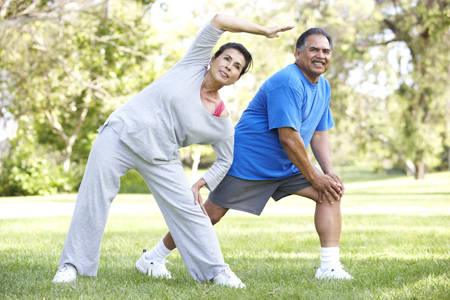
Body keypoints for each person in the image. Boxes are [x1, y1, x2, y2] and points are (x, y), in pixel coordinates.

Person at [51, 13, 294, 288]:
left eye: (237, 66)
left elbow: (226, 159)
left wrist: (202, 183)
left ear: (236, 79)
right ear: (213, 59)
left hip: (161, 157)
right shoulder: (192, 64)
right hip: (120, 134)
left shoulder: (221, 121)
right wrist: (263, 30)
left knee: (192, 211)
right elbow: (219, 20)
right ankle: (72, 265)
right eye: (226, 58)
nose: (229, 66)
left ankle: (216, 271)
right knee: (94, 199)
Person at [145, 27, 354, 281]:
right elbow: (288, 137)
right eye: (314, 49)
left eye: (326, 51)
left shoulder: (323, 87)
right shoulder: (288, 82)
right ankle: (152, 258)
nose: (321, 55)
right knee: (210, 216)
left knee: (329, 192)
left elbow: (319, 133)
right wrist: (314, 175)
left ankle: (329, 268)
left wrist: (328, 173)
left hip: (287, 165)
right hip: (248, 162)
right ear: (298, 54)